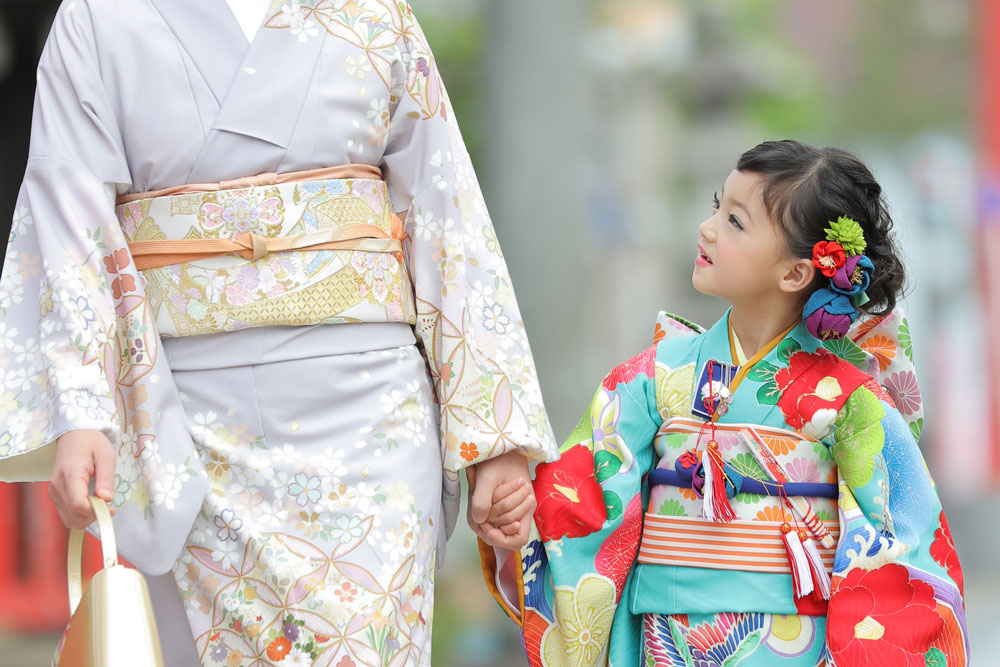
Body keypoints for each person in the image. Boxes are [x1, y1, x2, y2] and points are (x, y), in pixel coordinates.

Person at [0, 0, 555, 664]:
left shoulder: (374, 12)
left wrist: (492, 438)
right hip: (182, 425)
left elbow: (446, 211)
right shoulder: (100, 16)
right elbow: (69, 215)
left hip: (369, 421)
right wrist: (83, 406)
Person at [480, 140, 969, 666]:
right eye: (717, 205)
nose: (707, 228)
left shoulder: (852, 402)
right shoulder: (653, 380)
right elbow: (582, 501)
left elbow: (900, 548)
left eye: (735, 221)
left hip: (791, 646)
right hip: (667, 642)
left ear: (796, 273)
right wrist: (524, 520)